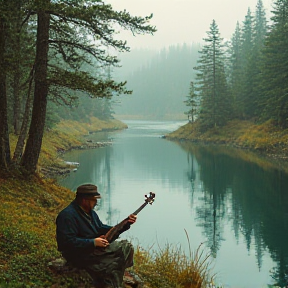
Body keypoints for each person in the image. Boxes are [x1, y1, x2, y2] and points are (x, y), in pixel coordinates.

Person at [56, 184, 137, 288]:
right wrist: (93, 242)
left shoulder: (90, 213)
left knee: (126, 247)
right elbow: (66, 243)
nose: (96, 203)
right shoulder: (67, 216)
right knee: (115, 263)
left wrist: (125, 224)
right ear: (85, 200)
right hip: (79, 255)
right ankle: (108, 279)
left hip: (93, 250)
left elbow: (100, 228)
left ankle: (110, 274)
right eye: (94, 200)